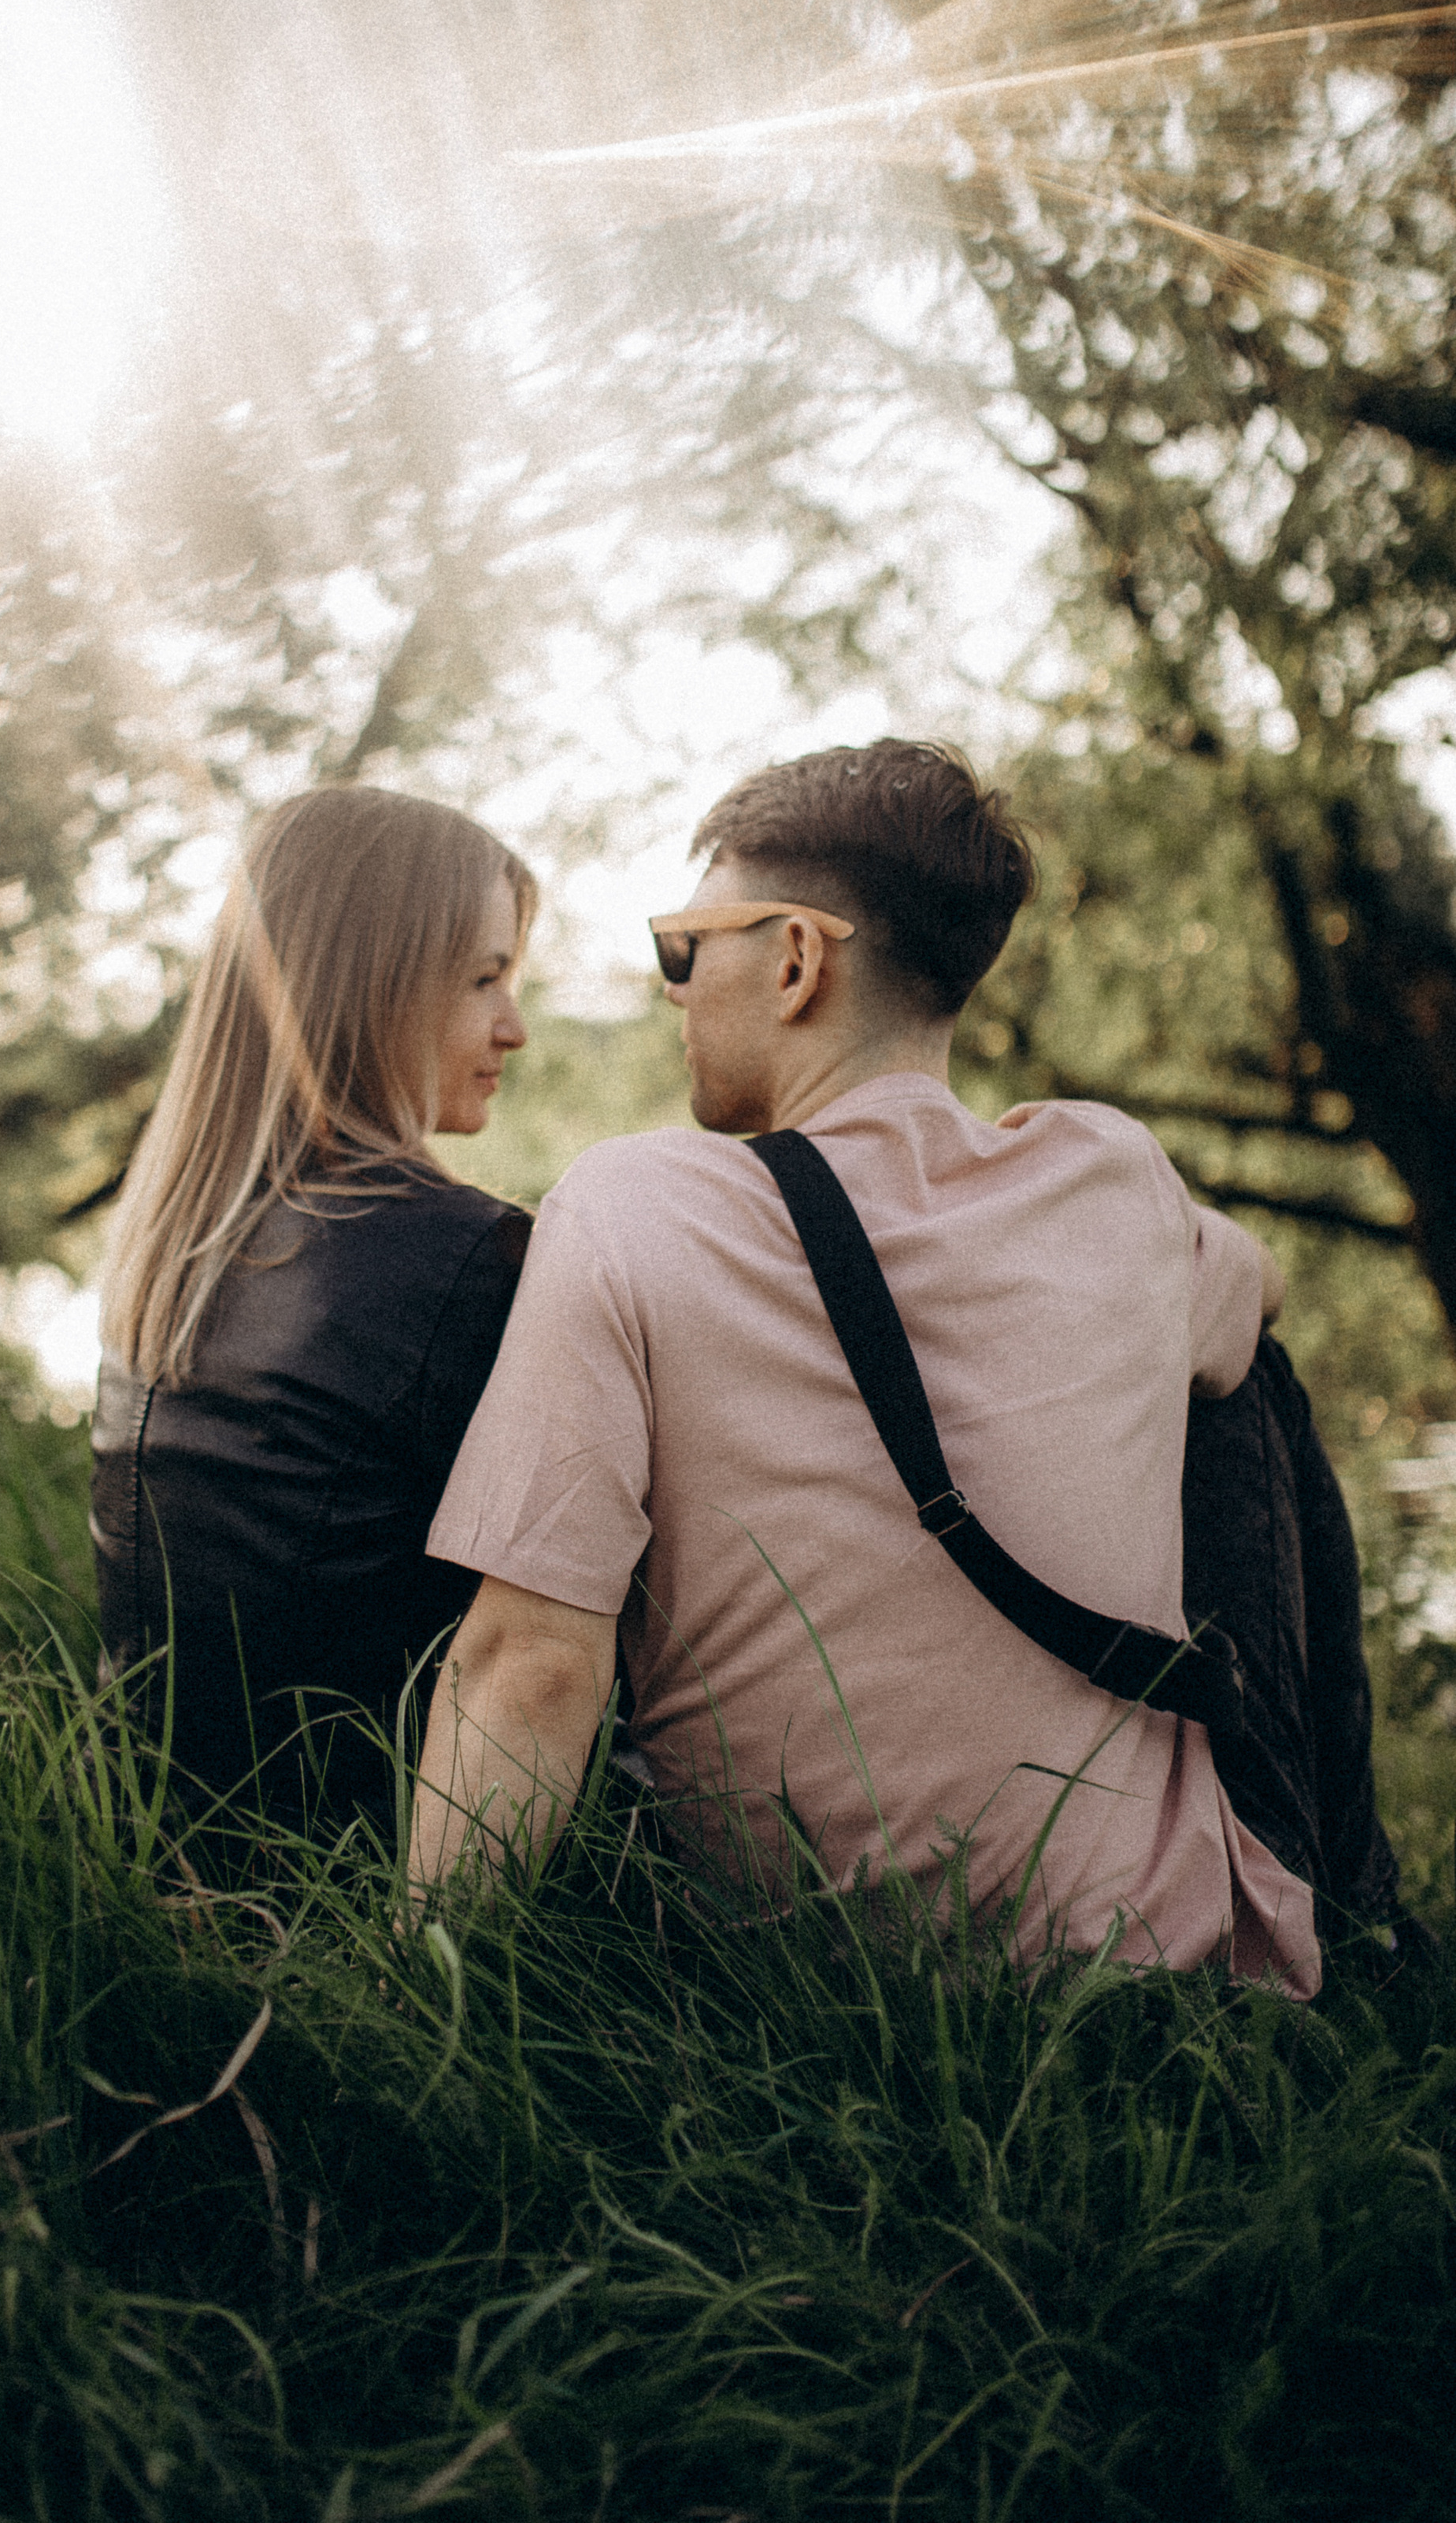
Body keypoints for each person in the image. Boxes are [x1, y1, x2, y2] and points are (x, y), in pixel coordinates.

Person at [411, 739, 1362, 1998]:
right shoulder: (1110, 1176)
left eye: (684, 948)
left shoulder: (633, 1209)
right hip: (1152, 1976)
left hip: (803, 1996)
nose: (673, 990)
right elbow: (1260, 1299)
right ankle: (1356, 1918)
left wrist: (415, 2006)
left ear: (797, 959)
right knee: (1250, 1373)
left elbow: (531, 1666)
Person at [91, 783, 535, 1831]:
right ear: (371, 989)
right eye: (484, 980)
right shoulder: (463, 1255)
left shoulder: (173, 1243)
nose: (513, 1027)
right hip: (361, 1881)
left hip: (156, 1842)